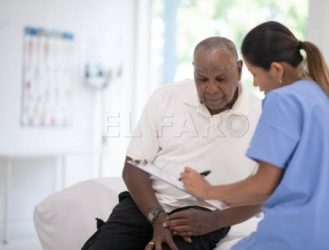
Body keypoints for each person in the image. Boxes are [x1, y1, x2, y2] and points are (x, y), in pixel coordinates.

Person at [180, 21, 329, 250]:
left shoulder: (283, 100)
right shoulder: (324, 97)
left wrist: (207, 191)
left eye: (255, 74)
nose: (256, 84)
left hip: (294, 237)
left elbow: (264, 185)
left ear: (277, 70)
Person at [82, 37, 263, 250]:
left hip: (205, 214)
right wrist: (157, 217)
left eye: (221, 79)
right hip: (147, 206)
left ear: (239, 70)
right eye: (202, 79)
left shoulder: (263, 115)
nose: (211, 89)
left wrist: (215, 221)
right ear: (194, 71)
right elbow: (133, 168)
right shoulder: (165, 97)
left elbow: (264, 192)